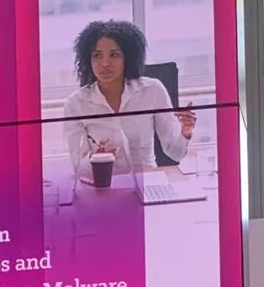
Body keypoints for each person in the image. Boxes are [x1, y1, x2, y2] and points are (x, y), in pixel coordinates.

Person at [60, 20, 195, 195]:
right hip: (103, 189)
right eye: (97, 55)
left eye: (114, 55)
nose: (105, 63)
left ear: (127, 58)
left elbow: (175, 153)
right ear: (88, 59)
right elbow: (78, 169)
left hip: (148, 185)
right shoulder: (76, 104)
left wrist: (185, 132)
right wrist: (97, 158)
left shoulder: (152, 90)